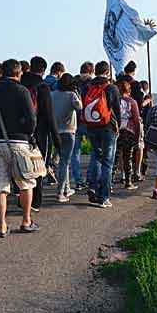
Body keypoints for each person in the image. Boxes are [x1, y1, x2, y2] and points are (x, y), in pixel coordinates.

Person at [0, 59, 39, 237]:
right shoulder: (22, 91)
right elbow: (31, 120)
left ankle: (2, 225)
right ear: (18, 73)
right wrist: (26, 133)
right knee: (26, 182)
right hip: (18, 142)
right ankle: (26, 221)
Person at [21, 56, 59, 212]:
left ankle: (22, 197)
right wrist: (56, 137)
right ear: (43, 70)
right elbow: (49, 115)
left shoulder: (21, 84)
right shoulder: (42, 87)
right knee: (38, 166)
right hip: (40, 132)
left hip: (21, 132)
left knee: (22, 167)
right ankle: (35, 200)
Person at [83, 61, 121, 208]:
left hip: (91, 126)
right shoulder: (111, 87)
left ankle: (93, 186)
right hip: (108, 127)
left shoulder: (87, 87)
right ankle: (103, 197)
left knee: (96, 156)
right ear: (107, 72)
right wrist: (119, 125)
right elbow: (117, 109)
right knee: (107, 162)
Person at [50, 73, 82, 202]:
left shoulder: (52, 95)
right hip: (69, 131)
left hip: (55, 131)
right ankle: (60, 192)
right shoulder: (71, 95)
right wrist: (76, 92)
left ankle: (67, 188)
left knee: (63, 160)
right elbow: (80, 107)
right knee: (65, 162)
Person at [70, 61, 94, 192]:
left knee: (75, 152)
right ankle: (90, 178)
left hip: (74, 120)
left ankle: (78, 181)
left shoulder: (73, 82)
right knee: (94, 150)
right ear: (91, 71)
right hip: (89, 120)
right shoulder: (92, 84)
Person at [115, 80, 142, 190]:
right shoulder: (132, 102)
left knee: (115, 157)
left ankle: (109, 182)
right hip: (129, 131)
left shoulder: (115, 101)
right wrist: (137, 137)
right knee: (128, 157)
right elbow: (136, 120)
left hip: (116, 130)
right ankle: (128, 182)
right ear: (129, 90)